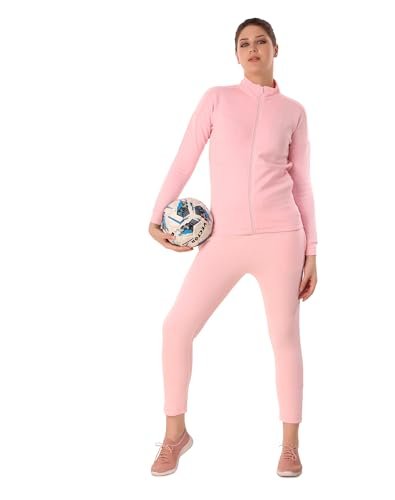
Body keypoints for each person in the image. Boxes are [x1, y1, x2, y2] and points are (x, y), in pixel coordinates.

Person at [148, 18, 318, 477]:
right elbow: (184, 158)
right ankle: (175, 435)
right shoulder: (217, 100)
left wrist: (312, 252)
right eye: (244, 43)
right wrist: (156, 215)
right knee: (176, 328)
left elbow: (303, 184)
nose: (252, 48)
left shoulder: (294, 111)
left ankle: (290, 446)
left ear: (276, 48)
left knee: (284, 338)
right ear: (236, 54)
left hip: (282, 238)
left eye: (261, 41)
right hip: (222, 238)